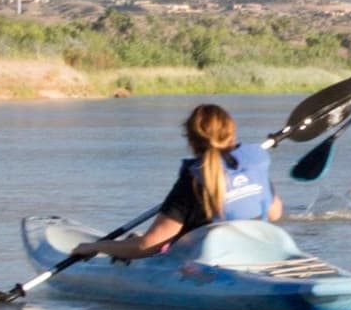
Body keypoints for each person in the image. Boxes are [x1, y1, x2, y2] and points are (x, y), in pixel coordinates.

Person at [83, 102, 280, 261]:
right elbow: (274, 213)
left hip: (207, 261)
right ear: (232, 132)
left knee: (145, 241)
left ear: (190, 139)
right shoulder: (254, 162)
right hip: (257, 251)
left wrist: (97, 246)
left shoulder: (192, 181)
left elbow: (149, 245)